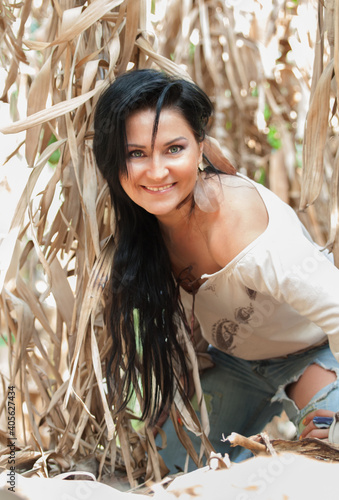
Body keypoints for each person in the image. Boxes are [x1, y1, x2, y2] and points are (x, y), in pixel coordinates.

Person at [93, 68, 339, 473]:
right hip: (235, 363)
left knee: (327, 457)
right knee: (171, 472)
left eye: (174, 149)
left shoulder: (243, 227)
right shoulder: (147, 227)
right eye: (136, 153)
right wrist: (188, 383)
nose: (156, 172)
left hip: (312, 353)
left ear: (200, 148)